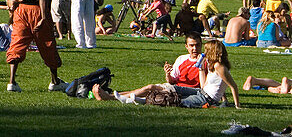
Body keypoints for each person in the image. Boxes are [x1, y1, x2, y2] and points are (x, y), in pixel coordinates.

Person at [95, 40, 240, 108]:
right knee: (152, 87)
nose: (196, 49)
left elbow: (225, 85)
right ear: (186, 46)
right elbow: (173, 80)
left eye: (198, 46)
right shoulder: (182, 59)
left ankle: (115, 97)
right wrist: (168, 74)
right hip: (188, 89)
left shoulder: (216, 65)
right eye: (191, 45)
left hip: (201, 95)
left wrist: (232, 104)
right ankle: (115, 97)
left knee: (167, 97)